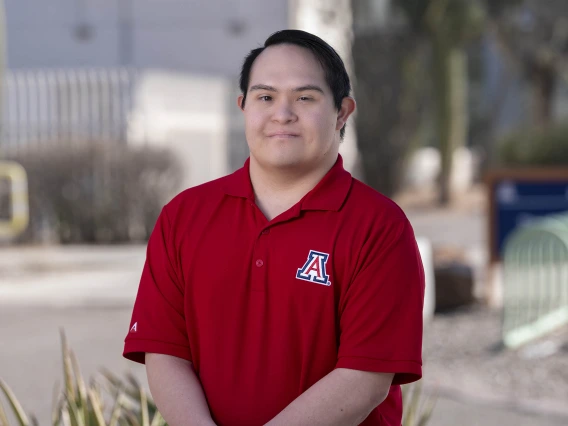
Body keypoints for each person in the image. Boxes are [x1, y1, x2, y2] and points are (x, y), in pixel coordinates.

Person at [123, 29, 425, 426]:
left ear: (342, 112)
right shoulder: (183, 216)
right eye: (265, 97)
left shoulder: (379, 228)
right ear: (243, 107)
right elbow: (165, 351)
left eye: (305, 97)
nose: (282, 113)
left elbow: (364, 379)